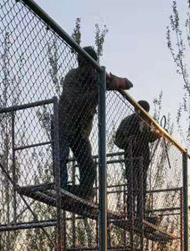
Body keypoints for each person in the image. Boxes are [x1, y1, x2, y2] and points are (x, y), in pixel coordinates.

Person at [57, 46, 133, 201]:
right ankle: (62, 190)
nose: (87, 69)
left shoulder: (97, 77)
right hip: (63, 123)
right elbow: (74, 101)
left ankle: (84, 192)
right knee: (61, 158)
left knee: (88, 165)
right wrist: (98, 91)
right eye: (84, 65)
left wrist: (112, 79)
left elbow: (128, 83)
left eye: (91, 66)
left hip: (80, 130)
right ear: (80, 64)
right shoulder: (72, 77)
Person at [114, 100, 161, 222]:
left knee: (142, 187)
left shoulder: (147, 120)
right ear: (137, 110)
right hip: (131, 157)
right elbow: (117, 140)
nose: (143, 116)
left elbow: (147, 137)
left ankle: (141, 214)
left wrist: (157, 134)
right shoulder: (127, 121)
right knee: (133, 185)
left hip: (143, 158)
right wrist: (130, 141)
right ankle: (131, 213)